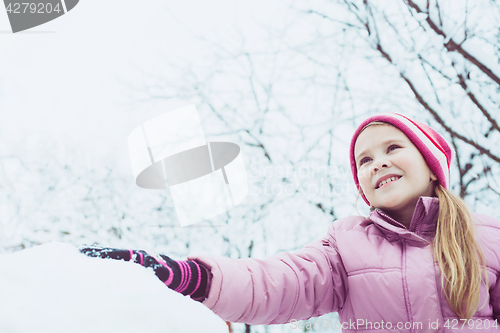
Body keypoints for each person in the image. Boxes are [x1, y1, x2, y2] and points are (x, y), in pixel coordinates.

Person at [81, 113, 500, 332]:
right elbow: (278, 282)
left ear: (430, 164)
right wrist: (192, 277)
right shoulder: (347, 246)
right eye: (365, 160)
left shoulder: (488, 237)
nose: (379, 162)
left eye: (393, 147)